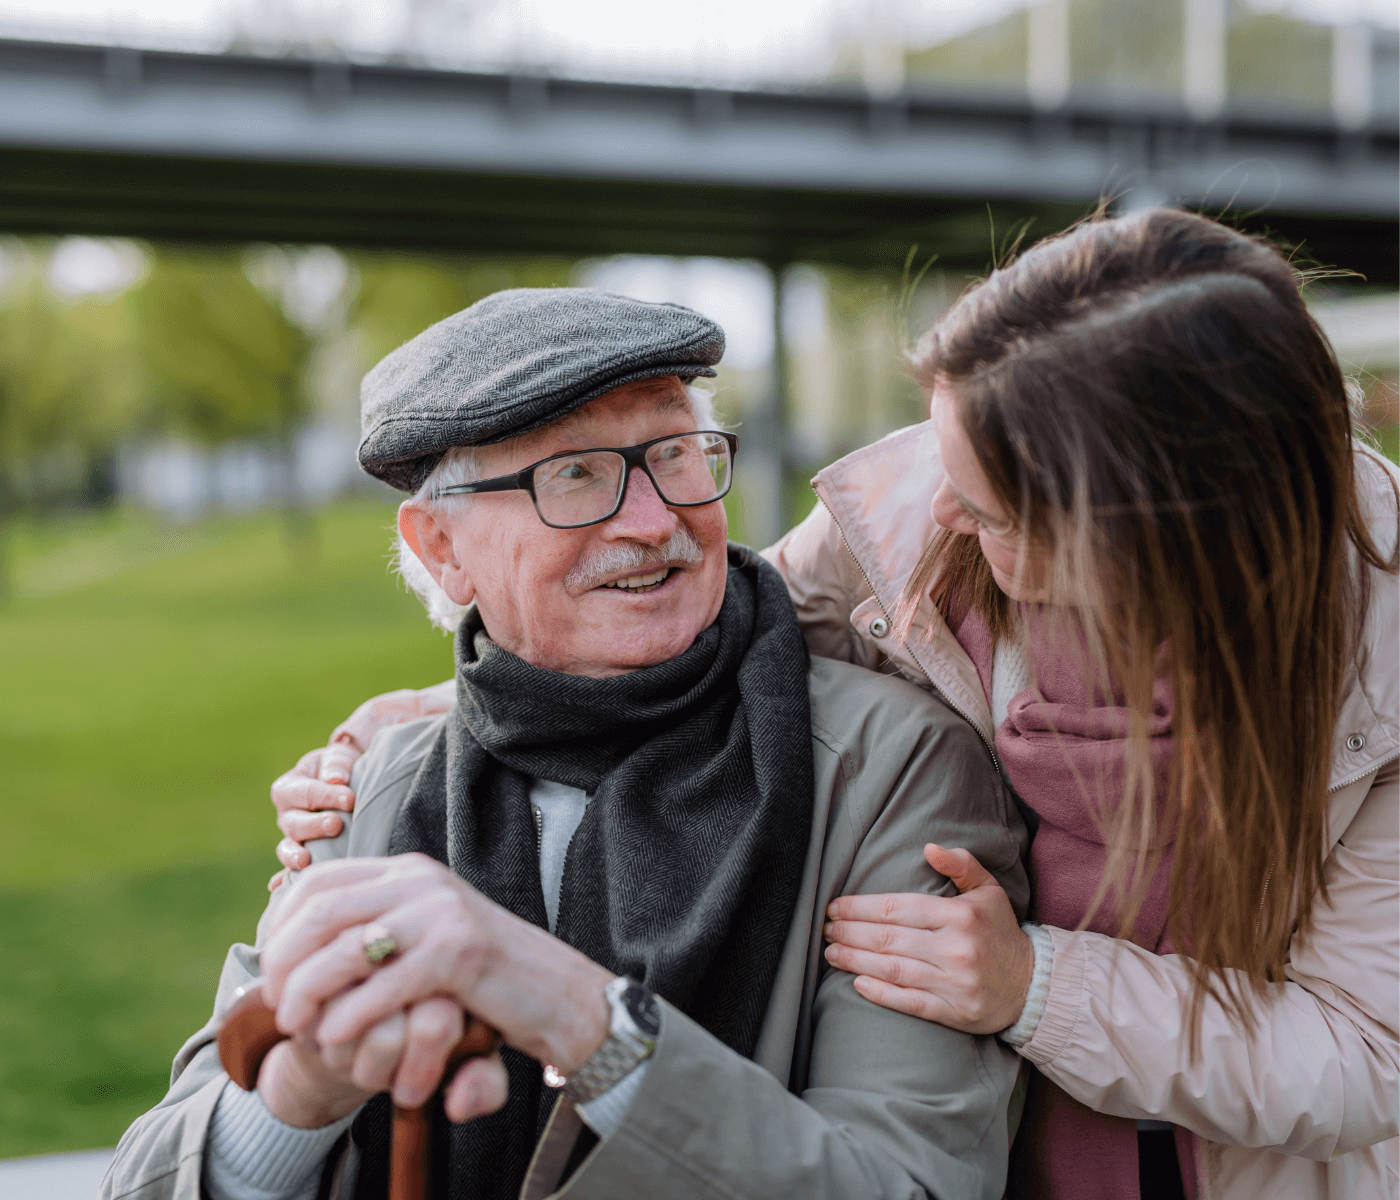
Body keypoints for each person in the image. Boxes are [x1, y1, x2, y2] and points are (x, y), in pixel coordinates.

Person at [275, 211, 1399, 1200]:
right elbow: (697, 615)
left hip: (1223, 1161)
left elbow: (1363, 1052)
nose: (939, 515)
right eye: (938, 460)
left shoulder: (1370, 672)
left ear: (1147, 546)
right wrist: (455, 719)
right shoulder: (926, 513)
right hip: (1001, 1122)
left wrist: (1032, 984)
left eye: (992, 507)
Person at [101, 287, 1031, 1200]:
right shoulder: (370, 787)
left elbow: (910, 1182)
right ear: (440, 550)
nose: (654, 520)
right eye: (574, 474)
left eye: (674, 454)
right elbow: (146, 1182)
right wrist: (302, 1088)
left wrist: (564, 1008)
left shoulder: (889, 767)